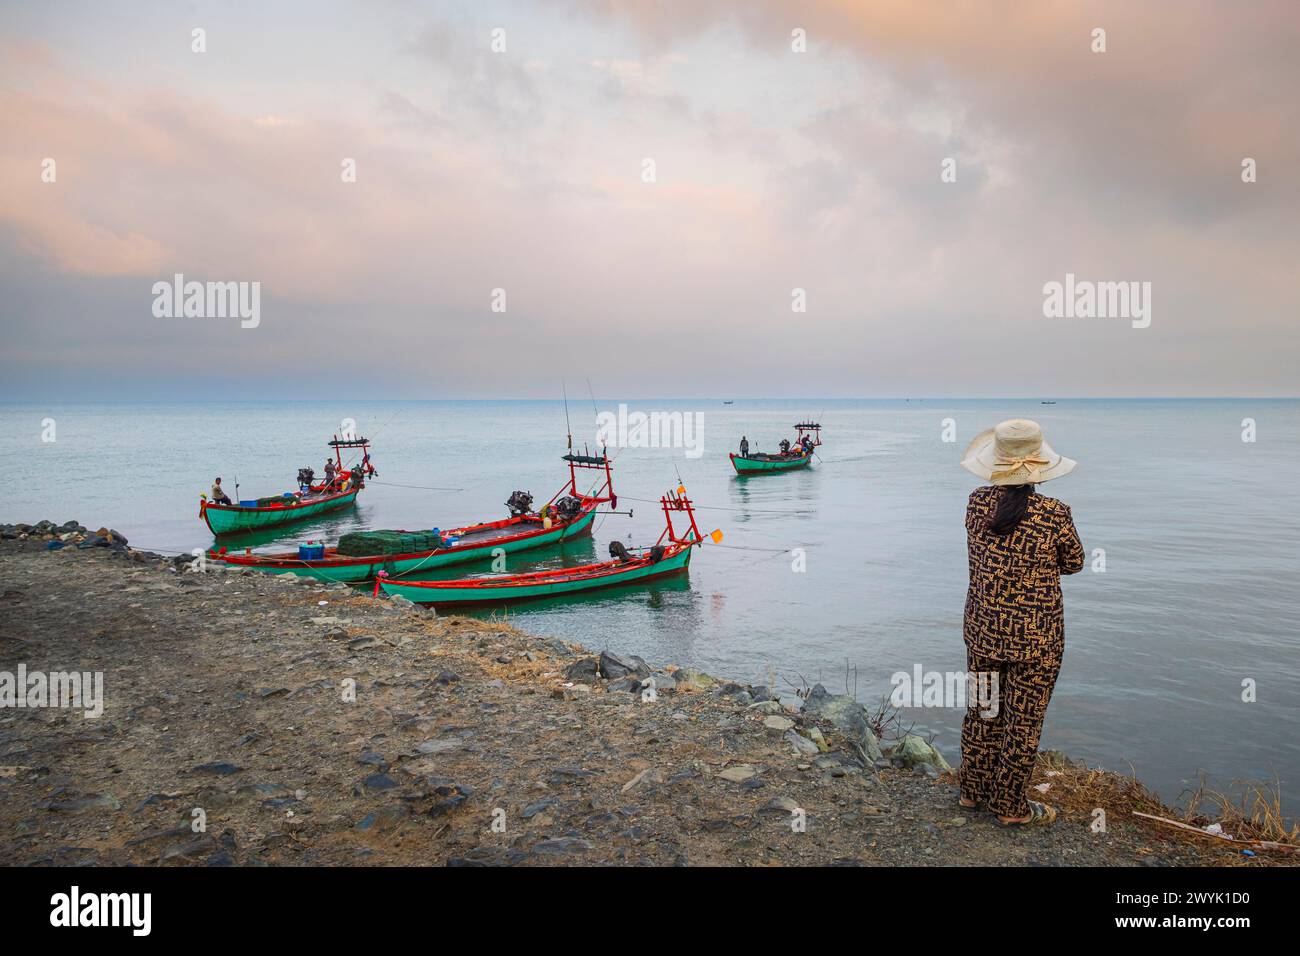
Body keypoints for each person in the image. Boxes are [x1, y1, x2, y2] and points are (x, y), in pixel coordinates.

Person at [957, 419, 1084, 827]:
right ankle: (1010, 806)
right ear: (1040, 466)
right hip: (1037, 638)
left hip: (984, 630)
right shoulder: (1053, 513)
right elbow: (1075, 563)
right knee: (1023, 721)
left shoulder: (977, 503)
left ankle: (972, 791)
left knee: (984, 711)